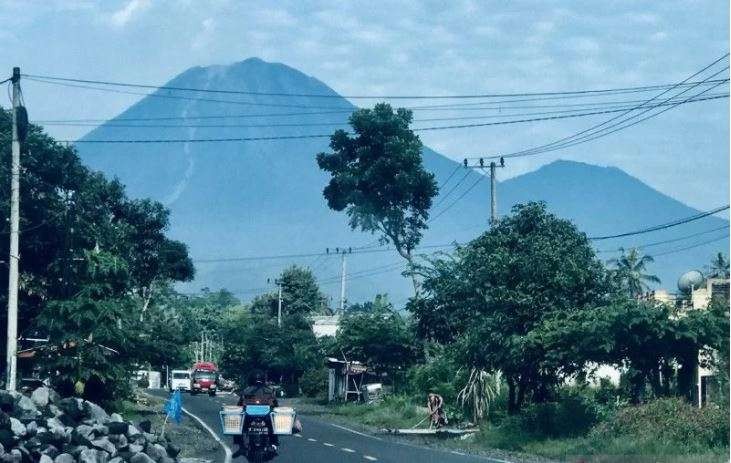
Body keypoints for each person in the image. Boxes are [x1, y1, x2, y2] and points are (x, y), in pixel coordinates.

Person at [234, 371, 279, 454]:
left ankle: (241, 445)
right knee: (273, 425)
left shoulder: (246, 390)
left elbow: (239, 405)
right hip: (266, 417)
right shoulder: (269, 391)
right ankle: (274, 443)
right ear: (264, 379)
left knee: (238, 425)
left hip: (249, 417)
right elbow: (275, 405)